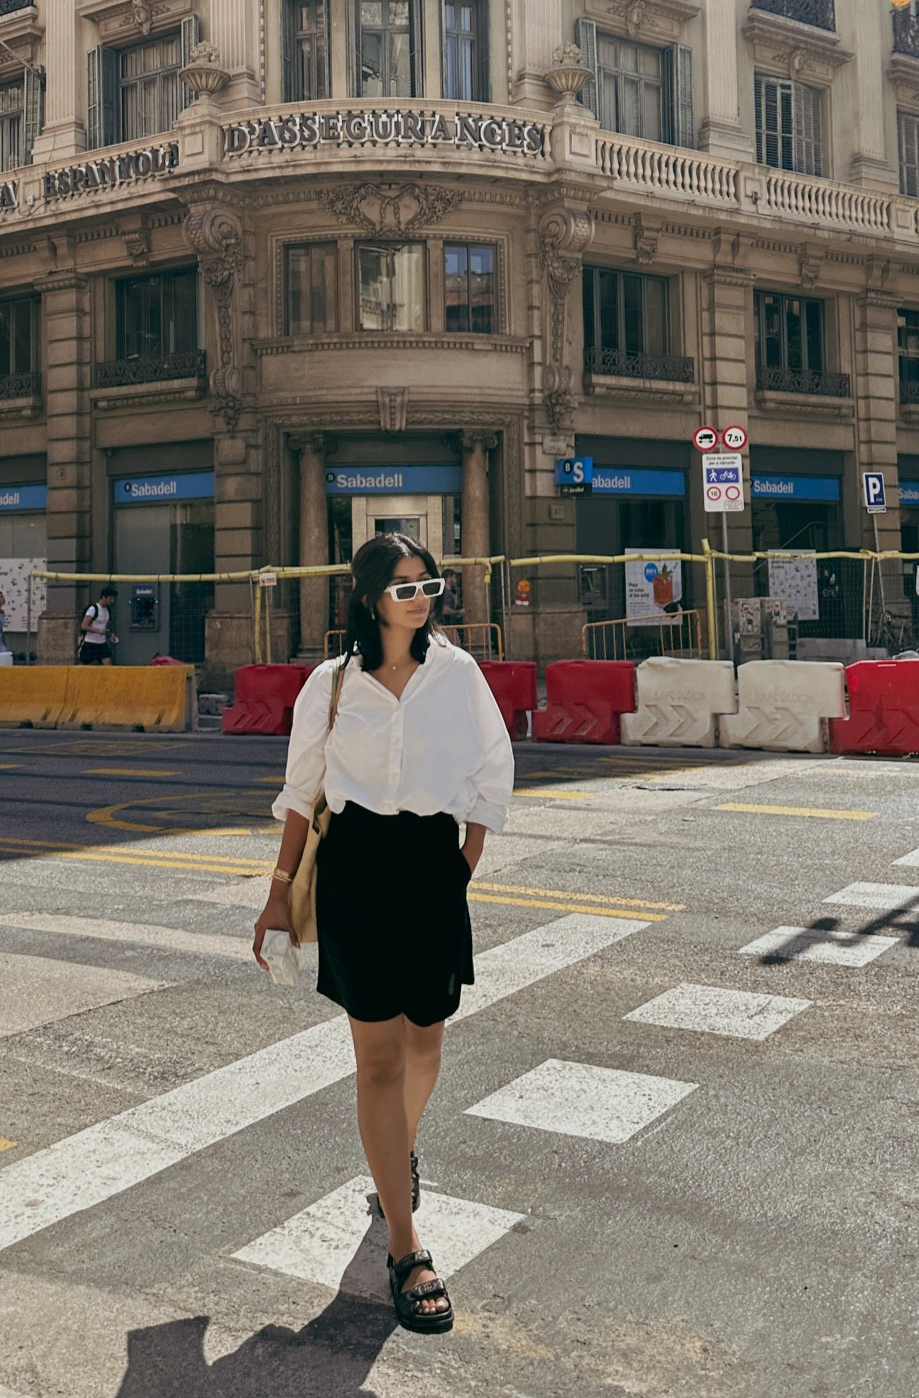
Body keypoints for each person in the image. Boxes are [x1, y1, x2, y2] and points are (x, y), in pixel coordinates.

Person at [253, 534, 514, 1336]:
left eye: (427, 583)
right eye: (402, 587)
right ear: (369, 598)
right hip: (359, 869)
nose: (419, 597)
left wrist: (463, 861)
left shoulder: (458, 674)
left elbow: (491, 770)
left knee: (427, 1043)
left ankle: (396, 1157)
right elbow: (301, 794)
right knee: (378, 1058)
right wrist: (275, 895)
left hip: (432, 866)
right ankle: (405, 1245)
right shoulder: (330, 686)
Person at [78, 587, 115, 664]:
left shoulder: (108, 610)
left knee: (108, 662)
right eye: (110, 598)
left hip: (102, 643)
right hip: (90, 643)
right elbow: (84, 626)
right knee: (86, 665)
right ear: (104, 597)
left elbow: (105, 626)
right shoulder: (93, 609)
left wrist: (108, 633)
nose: (112, 601)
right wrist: (98, 631)